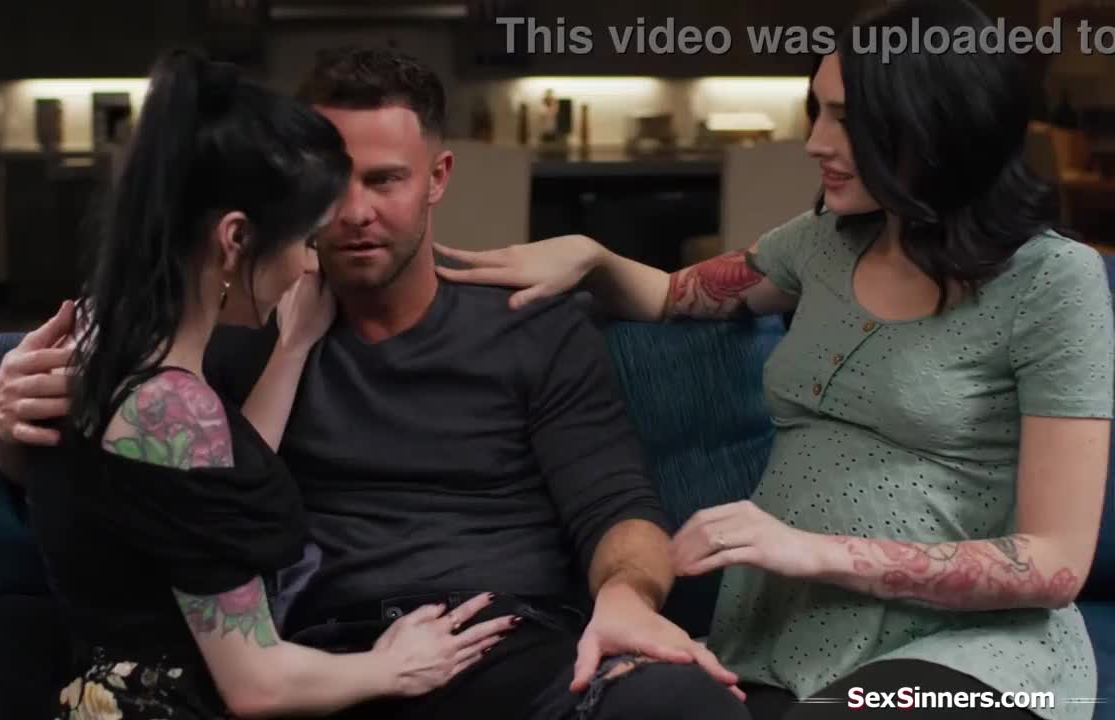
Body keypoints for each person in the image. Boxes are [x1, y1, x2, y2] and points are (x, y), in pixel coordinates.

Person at [0, 48, 751, 720]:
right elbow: (127, 495)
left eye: (385, 181)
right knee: (0, 639)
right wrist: (4, 432)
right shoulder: (232, 325)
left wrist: (625, 597)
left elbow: (617, 507)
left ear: (437, 178)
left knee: (682, 702)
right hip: (316, 657)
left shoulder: (532, 325)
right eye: (330, 186)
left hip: (497, 643)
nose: (352, 214)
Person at [433, 2, 1113, 719]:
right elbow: (676, 296)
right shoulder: (821, 243)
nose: (815, 142)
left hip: (973, 654)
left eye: (846, 118)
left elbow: (1055, 564)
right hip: (782, 642)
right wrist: (592, 257)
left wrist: (811, 550)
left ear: (938, 120)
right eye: (816, 112)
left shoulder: (1051, 280)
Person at [0, 48, 518, 720]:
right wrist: (393, 666)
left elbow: (200, 494)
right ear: (235, 240)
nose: (308, 264)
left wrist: (293, 346)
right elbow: (257, 685)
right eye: (302, 239)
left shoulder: (105, 341)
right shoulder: (170, 404)